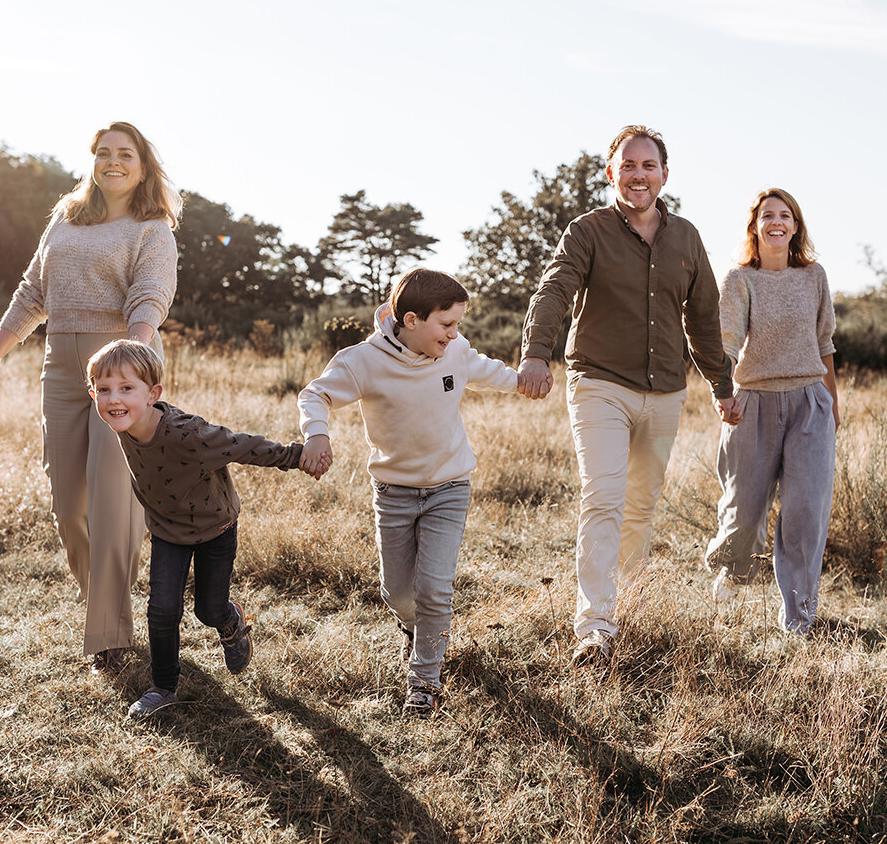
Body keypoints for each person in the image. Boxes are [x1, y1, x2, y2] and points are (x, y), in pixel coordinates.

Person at [517, 124, 738, 668]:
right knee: (604, 496)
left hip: (664, 390)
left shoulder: (686, 237)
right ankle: (594, 625)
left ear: (665, 174)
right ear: (611, 172)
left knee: (641, 504)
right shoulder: (587, 231)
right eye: (629, 165)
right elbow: (555, 289)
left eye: (650, 166)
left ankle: (627, 606)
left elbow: (704, 317)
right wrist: (534, 352)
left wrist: (723, 385)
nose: (639, 175)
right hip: (599, 382)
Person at [0, 122, 181, 675]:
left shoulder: (151, 227)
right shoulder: (66, 218)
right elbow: (32, 292)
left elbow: (150, 294)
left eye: (126, 154)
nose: (114, 162)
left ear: (142, 166)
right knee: (69, 505)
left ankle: (109, 633)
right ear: (93, 160)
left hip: (120, 366)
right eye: (105, 153)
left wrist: (128, 362)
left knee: (114, 496)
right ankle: (108, 606)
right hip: (61, 365)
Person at [297, 269, 528, 717]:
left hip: (449, 488)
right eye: (446, 324)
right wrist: (317, 435)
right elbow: (315, 395)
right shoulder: (362, 361)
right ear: (409, 320)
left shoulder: (455, 351)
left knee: (435, 590)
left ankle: (424, 682)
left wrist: (522, 380)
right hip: (394, 492)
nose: (455, 334)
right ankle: (417, 631)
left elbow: (485, 370)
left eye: (458, 324)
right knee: (397, 593)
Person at [85, 340, 326, 718]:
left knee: (208, 609)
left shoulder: (187, 433)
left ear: (154, 395)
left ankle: (231, 622)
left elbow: (241, 445)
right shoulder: (123, 420)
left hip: (216, 527)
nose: (113, 399)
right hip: (168, 530)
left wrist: (298, 456)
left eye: (126, 388)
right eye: (103, 390)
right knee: (161, 610)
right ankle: (164, 687)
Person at [704, 188, 839, 635]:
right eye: (768, 215)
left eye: (785, 215)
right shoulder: (740, 279)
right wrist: (722, 391)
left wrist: (832, 404)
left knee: (805, 512)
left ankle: (798, 618)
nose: (776, 222)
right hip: (753, 404)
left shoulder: (814, 276)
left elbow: (825, 345)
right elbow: (725, 341)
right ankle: (733, 568)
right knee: (744, 511)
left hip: (809, 402)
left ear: (796, 226)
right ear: (755, 226)